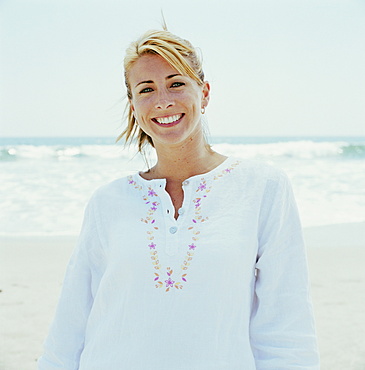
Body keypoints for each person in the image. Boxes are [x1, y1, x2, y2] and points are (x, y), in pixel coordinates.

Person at [38, 28, 320, 369]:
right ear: (134, 106)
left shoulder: (263, 189)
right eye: (146, 89)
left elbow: (287, 328)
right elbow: (71, 325)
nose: (162, 101)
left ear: (204, 93)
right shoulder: (107, 202)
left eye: (176, 83)